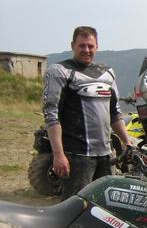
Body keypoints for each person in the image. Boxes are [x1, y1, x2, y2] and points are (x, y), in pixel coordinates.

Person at [43, 26, 131, 200]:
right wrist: (58, 155)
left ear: (97, 46)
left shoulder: (107, 73)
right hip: (77, 156)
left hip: (106, 156)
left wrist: (127, 141)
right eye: (82, 45)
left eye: (90, 46)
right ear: (72, 45)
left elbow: (114, 112)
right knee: (75, 207)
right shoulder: (60, 71)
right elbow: (52, 115)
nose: (87, 50)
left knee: (105, 206)